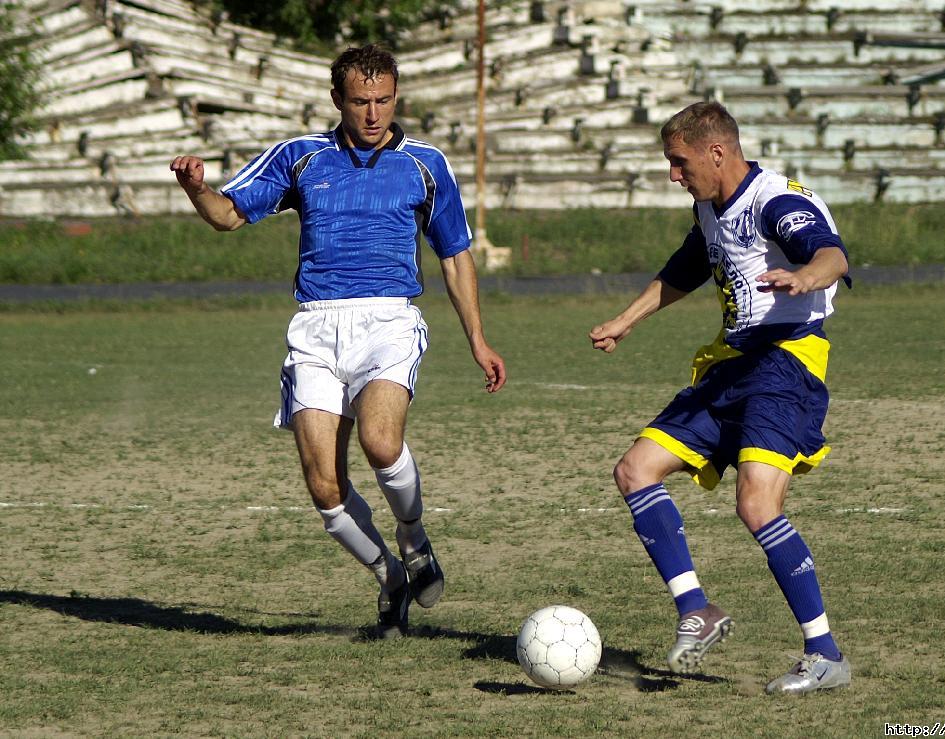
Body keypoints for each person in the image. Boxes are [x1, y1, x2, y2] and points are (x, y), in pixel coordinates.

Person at [170, 44, 506, 639]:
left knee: (381, 443)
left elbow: (455, 256)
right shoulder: (301, 158)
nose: (373, 114)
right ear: (337, 101)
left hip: (389, 321)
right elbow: (226, 215)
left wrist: (478, 339)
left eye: (383, 100)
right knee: (324, 485)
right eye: (360, 101)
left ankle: (414, 536)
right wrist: (197, 188)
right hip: (317, 327)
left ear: (396, 97)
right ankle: (390, 577)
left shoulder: (425, 165)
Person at [589, 101, 851, 695]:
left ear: (716, 152)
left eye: (679, 163)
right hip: (733, 365)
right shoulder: (710, 206)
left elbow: (831, 252)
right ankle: (697, 610)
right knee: (635, 470)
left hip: (786, 362)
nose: (673, 176)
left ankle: (825, 652)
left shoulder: (777, 202)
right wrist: (626, 319)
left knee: (757, 505)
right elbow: (686, 267)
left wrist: (808, 275)